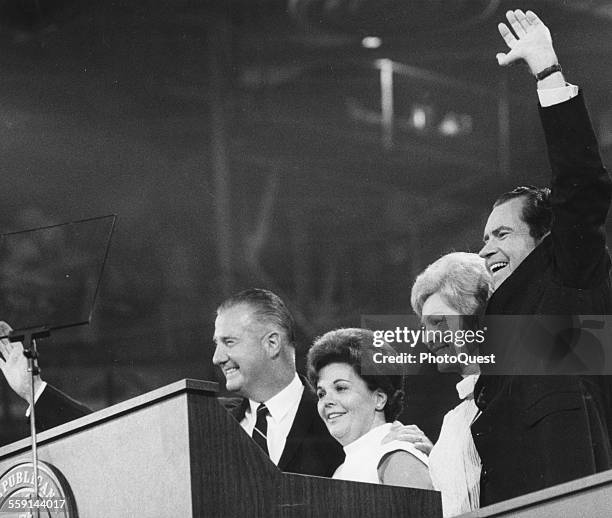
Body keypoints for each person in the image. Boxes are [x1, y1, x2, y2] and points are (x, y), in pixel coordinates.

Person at [472, 9, 612, 506]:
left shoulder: (566, 283)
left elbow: (582, 187)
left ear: (546, 240)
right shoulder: (501, 337)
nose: (486, 247)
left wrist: (548, 73)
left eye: (503, 233)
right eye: (484, 237)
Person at [411, 252, 492, 517]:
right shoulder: (452, 422)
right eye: (424, 326)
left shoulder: (511, 395)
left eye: (438, 322)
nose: (428, 338)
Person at [306, 327, 433, 489]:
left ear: (379, 399)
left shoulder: (398, 456)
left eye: (341, 388)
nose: (326, 401)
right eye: (321, 394)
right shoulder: (342, 471)